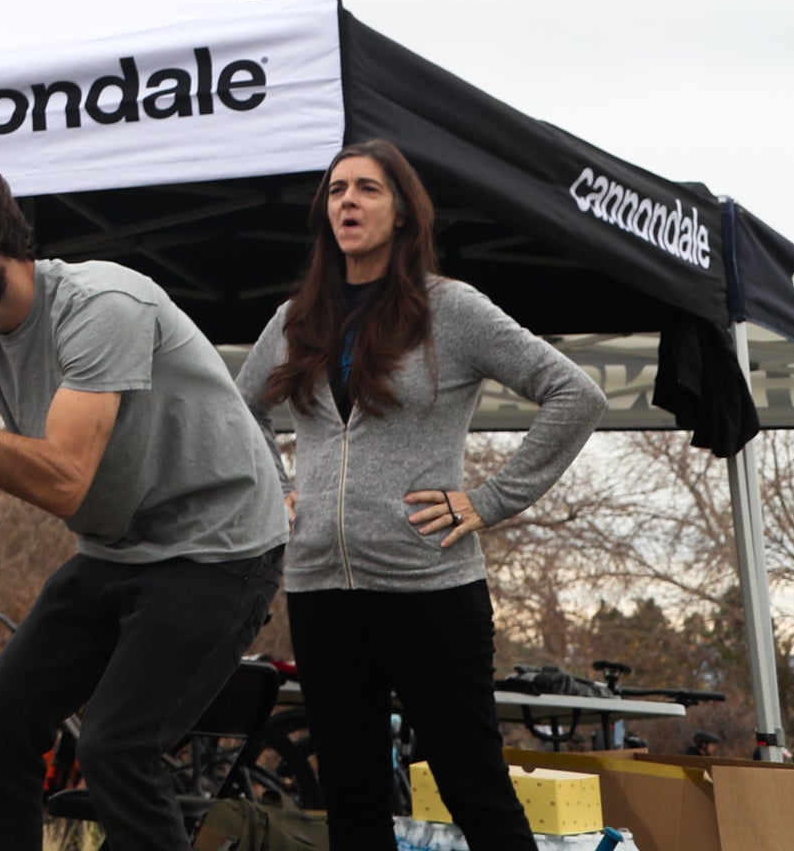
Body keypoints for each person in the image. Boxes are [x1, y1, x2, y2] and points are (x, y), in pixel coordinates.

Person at [0, 161, 286, 851]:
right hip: (115, 551)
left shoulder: (101, 304)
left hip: (219, 550)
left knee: (116, 749)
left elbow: (64, 481)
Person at [240, 140, 602, 851]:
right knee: (352, 798)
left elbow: (574, 394)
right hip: (320, 588)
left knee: (473, 788)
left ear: (404, 214)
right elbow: (236, 408)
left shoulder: (452, 311)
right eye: (337, 190)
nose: (347, 201)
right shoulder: (295, 318)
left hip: (428, 587)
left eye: (368, 189)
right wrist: (277, 488)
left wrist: (489, 500)